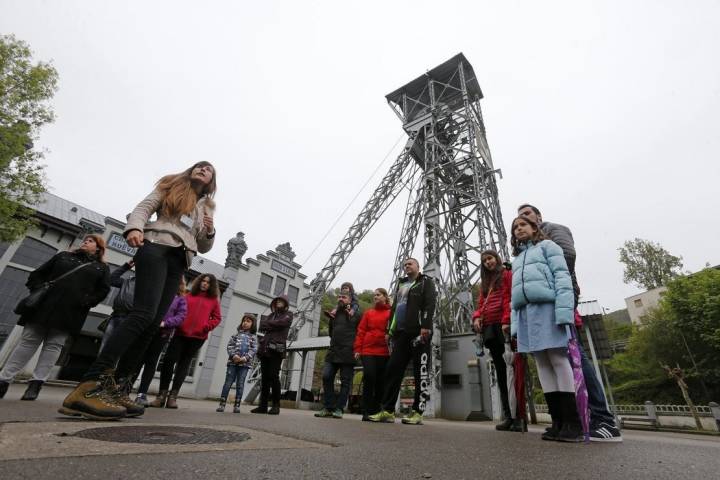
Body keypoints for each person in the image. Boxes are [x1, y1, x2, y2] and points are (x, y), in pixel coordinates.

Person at [60, 162, 217, 420]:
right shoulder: (171, 186)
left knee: (153, 322)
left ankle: (118, 387)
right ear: (191, 170)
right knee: (143, 314)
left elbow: (203, 245)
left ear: (212, 181)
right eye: (200, 166)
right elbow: (144, 208)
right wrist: (134, 227)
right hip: (156, 246)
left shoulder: (204, 208)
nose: (203, 170)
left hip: (180, 258)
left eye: (209, 170)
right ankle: (89, 386)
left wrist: (210, 231)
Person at [518, 203, 622, 442]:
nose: (521, 221)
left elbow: (567, 258)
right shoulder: (527, 250)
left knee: (573, 357)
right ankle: (568, 419)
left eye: (526, 215)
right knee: (556, 359)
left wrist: (546, 288)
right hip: (540, 306)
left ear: (538, 218)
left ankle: (603, 420)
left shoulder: (554, 230)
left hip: (557, 301)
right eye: (518, 219)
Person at [0, 235, 110, 401]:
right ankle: (4, 380)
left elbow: (103, 290)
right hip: (43, 306)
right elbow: (37, 274)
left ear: (99, 248)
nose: (85, 242)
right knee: (28, 342)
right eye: (85, 240)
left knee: (53, 346)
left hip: (70, 312)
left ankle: (36, 384)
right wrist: (38, 289)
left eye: (91, 241)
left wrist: (87, 301)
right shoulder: (63, 256)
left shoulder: (101, 268)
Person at [509, 215, 582, 442]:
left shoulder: (548, 247)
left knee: (558, 360)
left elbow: (562, 278)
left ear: (534, 228)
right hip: (525, 313)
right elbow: (514, 295)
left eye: (523, 225)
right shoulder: (518, 259)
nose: (519, 229)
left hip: (547, 308)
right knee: (541, 362)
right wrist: (514, 325)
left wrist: (564, 311)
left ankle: (573, 422)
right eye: (515, 228)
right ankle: (557, 421)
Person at [369, 258, 437, 425]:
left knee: (419, 371)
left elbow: (430, 303)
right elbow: (395, 309)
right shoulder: (401, 284)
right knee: (392, 370)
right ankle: (388, 410)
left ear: (417, 266)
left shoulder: (425, 282)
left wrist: (426, 325)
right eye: (405, 264)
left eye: (410, 264)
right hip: (401, 333)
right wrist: (389, 331)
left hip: (419, 332)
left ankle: (417, 412)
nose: (407, 266)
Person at [152, 274, 221, 409]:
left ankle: (173, 397)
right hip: (180, 334)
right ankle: (161, 396)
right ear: (198, 282)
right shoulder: (188, 295)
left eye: (208, 282)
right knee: (168, 361)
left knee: (184, 365)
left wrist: (206, 327)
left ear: (211, 285)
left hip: (198, 337)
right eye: (203, 281)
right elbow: (178, 311)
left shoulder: (213, 301)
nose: (204, 284)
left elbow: (217, 318)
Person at [472, 250, 516, 431]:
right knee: (500, 371)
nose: (487, 262)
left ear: (497, 258)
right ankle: (509, 415)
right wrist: (476, 317)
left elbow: (509, 298)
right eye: (484, 261)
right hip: (489, 327)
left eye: (489, 258)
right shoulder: (486, 283)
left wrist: (507, 320)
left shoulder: (506, 275)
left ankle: (518, 415)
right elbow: (481, 303)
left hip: (503, 326)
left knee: (512, 371)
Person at [133, 277, 188, 406]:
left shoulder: (180, 299)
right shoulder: (158, 290)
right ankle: (125, 389)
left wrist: (165, 323)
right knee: (137, 359)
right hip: (146, 328)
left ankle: (142, 394)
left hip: (162, 333)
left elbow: (181, 316)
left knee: (151, 361)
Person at [315, 288, 361, 419]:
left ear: (350, 300)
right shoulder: (334, 314)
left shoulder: (357, 314)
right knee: (326, 376)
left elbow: (360, 333)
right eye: (339, 297)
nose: (341, 299)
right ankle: (328, 407)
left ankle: (339, 409)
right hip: (333, 350)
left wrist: (357, 349)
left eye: (344, 297)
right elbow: (331, 331)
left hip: (349, 352)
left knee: (346, 382)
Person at [353, 288, 391, 421]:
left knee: (381, 382)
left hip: (384, 351)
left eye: (378, 295)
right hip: (368, 350)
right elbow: (361, 330)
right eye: (374, 295)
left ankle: (376, 410)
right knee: (369, 377)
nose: (375, 297)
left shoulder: (391, 313)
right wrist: (357, 349)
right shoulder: (369, 313)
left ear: (385, 297)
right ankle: (366, 410)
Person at [251, 295, 292, 415]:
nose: (278, 302)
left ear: (285, 303)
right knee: (264, 379)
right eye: (277, 301)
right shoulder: (271, 315)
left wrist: (270, 324)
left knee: (273, 377)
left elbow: (282, 323)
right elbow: (262, 325)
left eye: (281, 301)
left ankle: (276, 405)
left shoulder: (289, 314)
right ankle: (262, 406)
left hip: (276, 350)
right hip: (265, 349)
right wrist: (273, 323)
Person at [217, 314, 257, 413]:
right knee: (228, 383)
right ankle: (222, 404)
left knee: (240, 384)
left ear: (252, 324)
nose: (245, 323)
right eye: (244, 320)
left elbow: (254, 349)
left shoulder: (253, 337)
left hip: (244, 365)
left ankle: (237, 405)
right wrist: (234, 355)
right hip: (232, 363)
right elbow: (230, 346)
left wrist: (245, 358)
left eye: (248, 321)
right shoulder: (235, 336)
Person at [99, 260, 135, 353]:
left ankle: (111, 366)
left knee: (119, 348)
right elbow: (111, 279)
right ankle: (99, 366)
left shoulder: (147, 285)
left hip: (129, 319)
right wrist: (125, 267)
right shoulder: (128, 281)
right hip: (115, 316)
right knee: (105, 345)